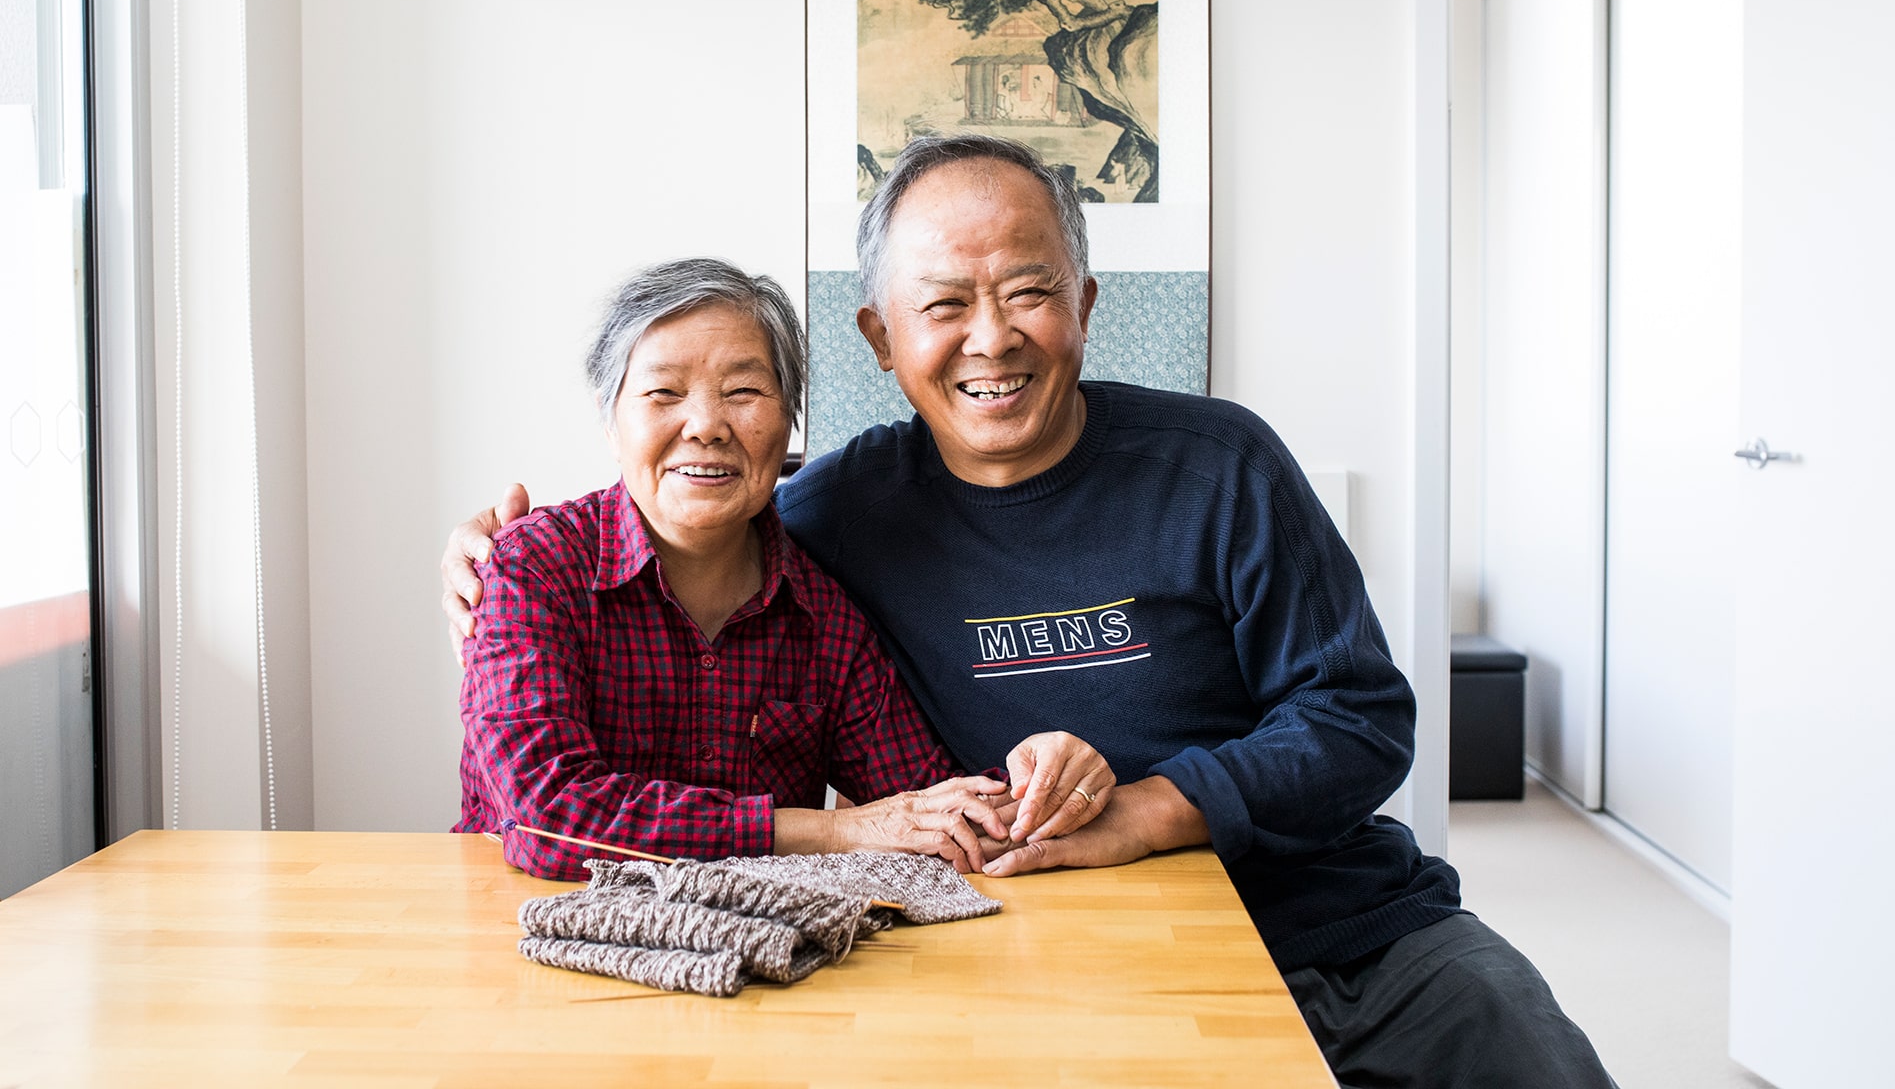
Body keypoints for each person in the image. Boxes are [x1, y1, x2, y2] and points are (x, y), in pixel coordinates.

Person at [445, 138, 1613, 1086]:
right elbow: (694, 488)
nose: (991, 337)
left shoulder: (1222, 465)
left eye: (1029, 291)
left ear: (1086, 303)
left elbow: (1362, 717)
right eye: (944, 301)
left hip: (1354, 925)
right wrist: (498, 562)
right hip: (1078, 947)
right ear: (882, 338)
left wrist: (1151, 802)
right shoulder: (838, 510)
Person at [455, 256, 1113, 880]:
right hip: (518, 937)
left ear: (788, 418)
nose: (706, 425)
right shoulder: (531, 567)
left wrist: (1050, 779)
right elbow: (546, 816)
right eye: (664, 393)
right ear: (611, 422)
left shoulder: (823, 617)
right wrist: (832, 831)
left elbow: (927, 810)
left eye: (743, 391)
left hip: (757, 966)